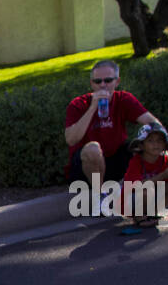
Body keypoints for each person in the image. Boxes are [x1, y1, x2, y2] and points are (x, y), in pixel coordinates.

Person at [64, 60, 162, 197]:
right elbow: (71, 139)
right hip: (86, 169)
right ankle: (101, 197)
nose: (102, 85)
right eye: (97, 81)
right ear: (92, 84)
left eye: (108, 80)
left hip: (115, 161)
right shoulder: (78, 104)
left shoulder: (123, 99)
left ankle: (138, 192)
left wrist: (163, 140)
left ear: (117, 81)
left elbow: (152, 122)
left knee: (141, 145)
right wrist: (92, 107)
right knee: (92, 149)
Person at [120, 122, 168, 229]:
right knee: (145, 190)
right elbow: (136, 186)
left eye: (159, 141)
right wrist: (162, 176)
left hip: (150, 197)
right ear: (141, 145)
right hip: (130, 201)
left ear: (164, 144)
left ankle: (153, 213)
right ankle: (139, 217)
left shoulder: (165, 160)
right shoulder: (136, 161)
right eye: (150, 141)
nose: (155, 144)